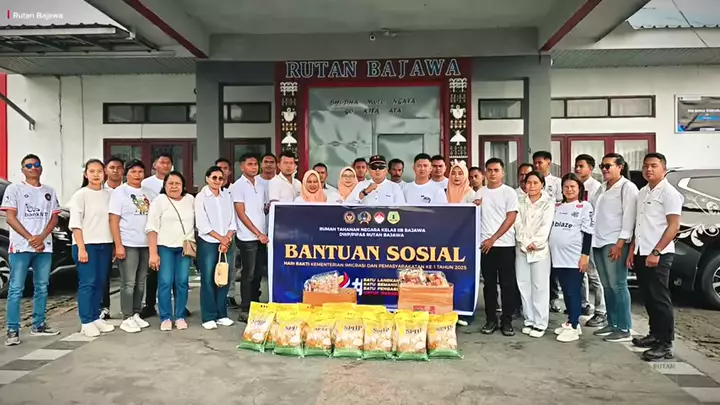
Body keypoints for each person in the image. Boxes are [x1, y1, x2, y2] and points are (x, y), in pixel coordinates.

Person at [627, 153, 683, 361]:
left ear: (664, 169)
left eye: (654, 165)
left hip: (659, 254)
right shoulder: (643, 192)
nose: (649, 169)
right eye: (645, 166)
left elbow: (674, 226)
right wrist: (633, 250)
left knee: (660, 298)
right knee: (648, 296)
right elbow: (640, 224)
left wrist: (656, 251)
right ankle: (654, 334)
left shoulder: (669, 193)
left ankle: (665, 344)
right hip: (642, 252)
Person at [2, 154, 61, 346]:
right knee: (16, 288)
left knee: (42, 286)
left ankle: (39, 325)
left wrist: (41, 238)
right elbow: (11, 218)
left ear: (41, 168)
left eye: (36, 164)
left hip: (44, 247)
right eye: (28, 165)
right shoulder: (14, 189)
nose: (33, 168)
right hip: (21, 247)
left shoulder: (49, 191)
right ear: (23, 170)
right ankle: (12, 330)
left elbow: (54, 218)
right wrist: (30, 238)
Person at [589, 153, 638, 343]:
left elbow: (629, 216)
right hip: (598, 241)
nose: (604, 169)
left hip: (615, 241)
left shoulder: (627, 187)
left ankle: (624, 327)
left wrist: (620, 243)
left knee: (618, 284)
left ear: (620, 167)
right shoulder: (602, 188)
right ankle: (613, 322)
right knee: (607, 285)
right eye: (602, 166)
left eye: (608, 166)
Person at [69, 159, 115, 338]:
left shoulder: (109, 194)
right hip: (86, 245)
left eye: (99, 171)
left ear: (104, 173)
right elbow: (75, 224)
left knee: (100, 282)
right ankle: (86, 320)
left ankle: (96, 316)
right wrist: (81, 248)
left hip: (105, 244)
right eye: (92, 171)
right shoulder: (80, 195)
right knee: (88, 282)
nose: (96, 175)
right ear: (85, 174)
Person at [146, 171, 195, 331]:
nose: (174, 186)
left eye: (177, 183)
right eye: (170, 183)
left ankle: (180, 316)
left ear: (183, 186)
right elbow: (152, 228)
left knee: (182, 282)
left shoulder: (190, 200)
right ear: (165, 185)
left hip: (184, 248)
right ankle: (166, 317)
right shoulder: (159, 201)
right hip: (165, 247)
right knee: (165, 282)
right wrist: (153, 253)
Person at [108, 159, 152, 333]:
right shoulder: (120, 192)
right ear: (126, 174)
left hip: (146, 243)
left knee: (141, 282)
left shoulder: (148, 192)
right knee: (129, 282)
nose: (137, 175)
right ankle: (126, 317)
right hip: (128, 243)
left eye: (140, 172)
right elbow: (113, 220)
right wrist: (118, 245)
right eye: (133, 172)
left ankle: (135, 313)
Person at [476, 158, 519, 336]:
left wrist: (493, 239)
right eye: (490, 170)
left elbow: (511, 218)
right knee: (489, 286)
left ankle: (507, 321)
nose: (493, 173)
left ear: (503, 173)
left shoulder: (509, 192)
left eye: (496, 170)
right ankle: (491, 320)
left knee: (507, 285)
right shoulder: (479, 192)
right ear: (485, 172)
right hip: (485, 246)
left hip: (505, 245)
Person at [551, 174, 595, 343]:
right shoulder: (557, 206)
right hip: (557, 257)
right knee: (566, 290)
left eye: (573, 187)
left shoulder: (584, 206)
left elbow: (588, 233)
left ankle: (575, 325)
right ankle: (571, 320)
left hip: (574, 257)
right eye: (566, 187)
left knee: (573, 291)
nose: (569, 190)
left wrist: (585, 256)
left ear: (579, 188)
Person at [195, 166, 236, 330]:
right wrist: (221, 239)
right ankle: (208, 316)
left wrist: (227, 238)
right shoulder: (201, 197)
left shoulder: (227, 195)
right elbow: (202, 224)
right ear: (207, 178)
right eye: (214, 178)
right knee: (208, 279)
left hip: (227, 242)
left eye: (221, 178)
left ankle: (221, 315)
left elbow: (233, 220)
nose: (218, 181)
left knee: (223, 277)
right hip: (209, 242)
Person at [514, 171, 554, 338]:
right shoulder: (519, 201)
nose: (531, 186)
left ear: (542, 184)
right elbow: (517, 224)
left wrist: (535, 243)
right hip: (522, 248)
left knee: (540, 286)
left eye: (535, 183)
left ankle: (540, 322)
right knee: (524, 284)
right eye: (529, 182)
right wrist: (525, 242)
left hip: (539, 250)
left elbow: (546, 226)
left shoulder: (548, 203)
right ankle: (529, 320)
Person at [231, 153, 269, 322]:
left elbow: (264, 208)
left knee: (259, 273)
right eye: (250, 164)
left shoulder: (261, 184)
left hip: (262, 236)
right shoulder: (238, 186)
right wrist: (257, 233)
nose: (254, 167)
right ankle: (245, 309)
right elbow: (241, 213)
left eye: (255, 164)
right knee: (248, 274)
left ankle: (255, 303)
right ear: (242, 167)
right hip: (247, 237)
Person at [574, 154, 607, 328]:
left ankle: (601, 311)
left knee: (595, 275)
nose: (577, 169)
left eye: (581, 166)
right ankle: (583, 304)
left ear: (591, 168)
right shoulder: (574, 185)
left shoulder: (597, 188)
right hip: (576, 236)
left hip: (592, 236)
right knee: (581, 272)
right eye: (576, 166)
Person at [140, 153, 174, 319]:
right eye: (162, 162)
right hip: (153, 231)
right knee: (153, 271)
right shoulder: (146, 184)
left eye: (168, 163)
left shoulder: (175, 180)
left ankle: (177, 306)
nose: (165, 165)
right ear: (155, 165)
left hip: (171, 232)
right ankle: (150, 304)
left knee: (173, 275)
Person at [100, 156, 124, 320]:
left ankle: (131, 309)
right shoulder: (100, 191)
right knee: (103, 275)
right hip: (105, 238)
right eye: (112, 167)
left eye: (119, 168)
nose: (115, 171)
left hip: (127, 239)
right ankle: (104, 307)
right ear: (106, 170)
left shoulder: (128, 190)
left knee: (130, 277)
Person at [215, 157, 239, 308]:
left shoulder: (235, 189)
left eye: (225, 169)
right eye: (219, 168)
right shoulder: (209, 190)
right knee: (215, 266)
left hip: (231, 233)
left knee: (230, 266)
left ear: (229, 172)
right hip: (213, 235)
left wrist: (229, 235)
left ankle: (230, 294)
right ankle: (216, 296)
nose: (222, 172)